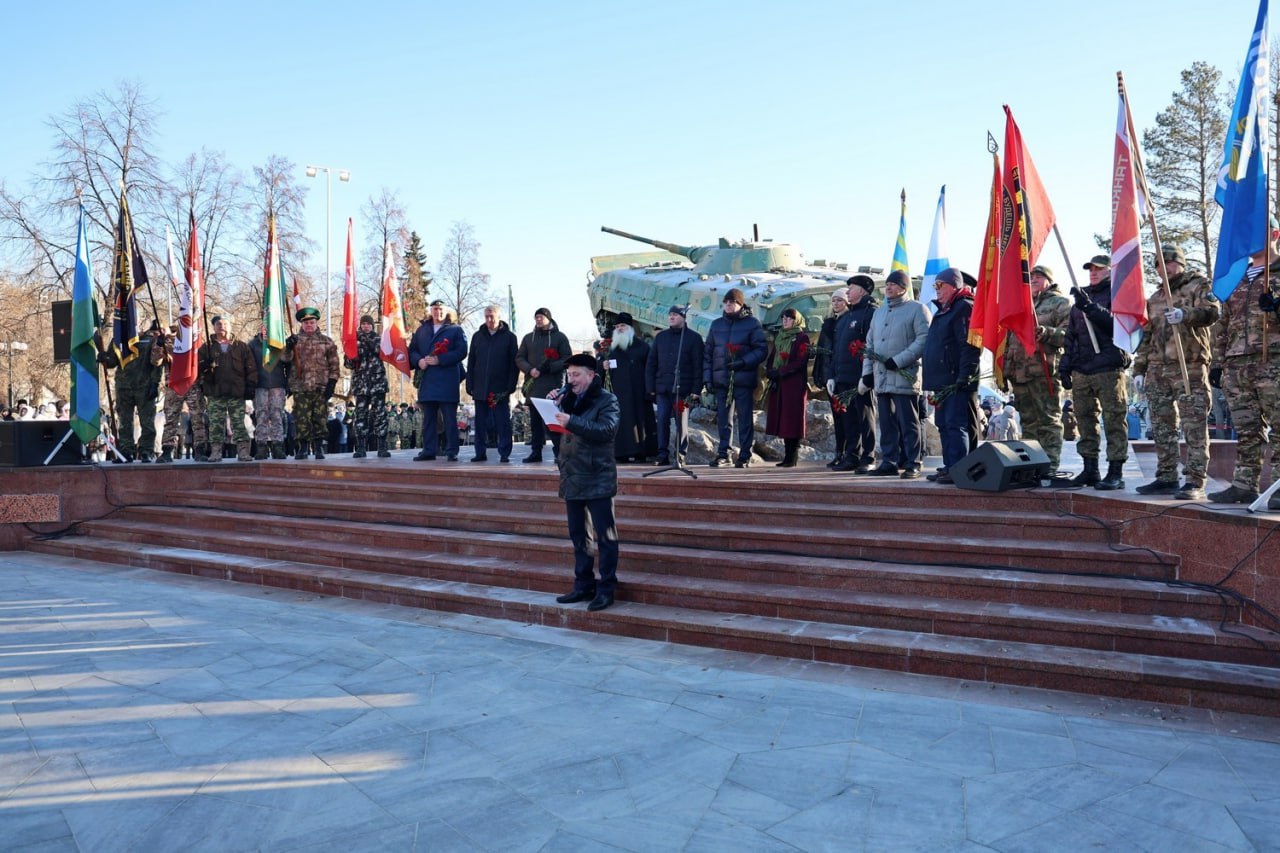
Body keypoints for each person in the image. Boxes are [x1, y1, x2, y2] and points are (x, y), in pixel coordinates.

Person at [1132, 246, 1220, 501]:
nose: (1163, 268)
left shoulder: (1198, 285)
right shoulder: (1156, 297)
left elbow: (1212, 312)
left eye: (1168, 262)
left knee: (1194, 424)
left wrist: (1186, 314)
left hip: (1189, 364)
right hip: (1158, 368)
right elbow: (1146, 337)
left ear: (1180, 263)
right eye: (1158, 264)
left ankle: (1194, 480)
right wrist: (1139, 369)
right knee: (1161, 426)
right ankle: (1166, 476)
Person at [1211, 230, 1280, 506]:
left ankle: (1278, 485)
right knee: (1247, 429)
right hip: (1238, 364)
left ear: (1275, 233)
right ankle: (1243, 484)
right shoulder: (1237, 279)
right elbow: (1223, 325)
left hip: (1273, 362)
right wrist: (1218, 363)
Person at [549, 352, 621, 612]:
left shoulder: (607, 400)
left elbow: (607, 431)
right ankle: (583, 584)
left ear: (591, 376)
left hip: (597, 475)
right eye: (569, 375)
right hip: (572, 475)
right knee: (579, 535)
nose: (571, 379)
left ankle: (607, 588)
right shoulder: (566, 399)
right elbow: (560, 433)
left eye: (576, 374)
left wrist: (572, 420)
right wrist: (553, 410)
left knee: (605, 535)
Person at [1060, 254, 1130, 490]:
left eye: (1098, 269)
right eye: (1090, 269)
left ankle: (1115, 471)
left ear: (1110, 271)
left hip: (1108, 366)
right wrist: (1065, 365)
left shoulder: (1117, 295)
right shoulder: (1079, 300)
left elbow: (1118, 326)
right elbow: (1071, 336)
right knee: (1085, 421)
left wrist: (1090, 307)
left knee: (1114, 419)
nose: (1093, 272)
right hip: (1082, 369)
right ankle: (1090, 469)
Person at [1001, 264, 1072, 482]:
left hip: (1044, 372)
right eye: (1031, 277)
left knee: (1049, 421)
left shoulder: (1060, 303)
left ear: (1049, 280)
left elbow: (1070, 334)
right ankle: (1031, 465)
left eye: (1038, 277)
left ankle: (1049, 466)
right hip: (1020, 373)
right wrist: (1005, 371)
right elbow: (1010, 341)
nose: (1033, 280)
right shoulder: (1022, 304)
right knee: (1029, 423)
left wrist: (1048, 333)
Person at [862, 270, 931, 478]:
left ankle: (913, 462)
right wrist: (867, 373)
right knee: (886, 422)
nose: (888, 287)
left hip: (904, 375)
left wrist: (899, 360)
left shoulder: (918, 310)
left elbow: (923, 340)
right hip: (882, 377)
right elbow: (870, 344)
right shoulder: (879, 312)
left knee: (908, 421)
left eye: (893, 284)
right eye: (887, 284)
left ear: (903, 287)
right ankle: (889, 461)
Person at [921, 268, 979, 484]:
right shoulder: (945, 310)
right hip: (942, 380)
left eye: (940, 285)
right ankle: (949, 465)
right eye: (935, 285)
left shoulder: (963, 307)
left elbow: (969, 344)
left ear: (954, 286)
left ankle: (959, 468)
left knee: (956, 424)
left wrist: (965, 374)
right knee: (944, 424)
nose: (936, 290)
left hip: (956, 380)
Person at [703, 288, 768, 467]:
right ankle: (723, 453)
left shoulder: (752, 324)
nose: (729, 305)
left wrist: (743, 362)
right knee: (724, 419)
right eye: (726, 302)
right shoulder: (716, 325)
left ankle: (745, 455)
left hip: (743, 380)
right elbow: (708, 353)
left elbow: (761, 350)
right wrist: (708, 379)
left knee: (745, 419)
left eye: (732, 302)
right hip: (722, 380)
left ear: (740, 304)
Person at [645, 304, 704, 466]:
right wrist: (650, 388)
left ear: (684, 317)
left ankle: (680, 455)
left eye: (675, 315)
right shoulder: (661, 337)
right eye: (670, 314)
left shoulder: (694, 338)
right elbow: (651, 363)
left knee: (681, 423)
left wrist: (696, 390)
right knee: (662, 420)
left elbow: (698, 366)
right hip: (662, 390)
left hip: (683, 391)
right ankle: (662, 454)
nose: (671, 317)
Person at [409, 299, 468, 461]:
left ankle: (451, 450)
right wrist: (418, 361)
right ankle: (429, 449)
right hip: (427, 380)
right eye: (435, 309)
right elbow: (412, 350)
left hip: (447, 380)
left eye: (441, 309)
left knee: (449, 418)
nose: (438, 312)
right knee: (428, 418)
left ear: (446, 311)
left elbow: (462, 351)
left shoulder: (455, 330)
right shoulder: (422, 330)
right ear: (431, 311)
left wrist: (440, 360)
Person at [98, 319, 164, 462]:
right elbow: (112, 362)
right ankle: (126, 452)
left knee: (147, 423)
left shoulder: (152, 340)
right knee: (124, 422)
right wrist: (104, 357)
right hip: (124, 387)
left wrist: (155, 383)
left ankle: (146, 451)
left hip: (144, 386)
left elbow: (157, 364)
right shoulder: (119, 339)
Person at [197, 315, 257, 463]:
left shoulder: (241, 346)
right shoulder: (207, 347)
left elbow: (251, 368)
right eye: (218, 323)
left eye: (224, 323)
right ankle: (216, 452)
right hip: (215, 392)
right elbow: (198, 368)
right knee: (216, 423)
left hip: (236, 392)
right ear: (213, 327)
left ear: (230, 326)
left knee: (238, 423)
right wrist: (205, 366)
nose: (221, 326)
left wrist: (251, 386)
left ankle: (243, 452)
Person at [516, 307, 572, 463]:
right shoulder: (528, 338)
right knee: (535, 423)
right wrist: (529, 369)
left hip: (552, 387)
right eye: (536, 317)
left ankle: (560, 452)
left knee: (552, 422)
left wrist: (551, 366)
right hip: (533, 386)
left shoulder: (559, 337)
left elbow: (567, 359)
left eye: (541, 317)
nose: (538, 320)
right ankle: (536, 452)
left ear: (549, 318)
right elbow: (519, 358)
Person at [600, 312, 657, 462]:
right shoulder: (611, 349)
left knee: (640, 423)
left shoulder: (642, 347)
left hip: (638, 393)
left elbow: (651, 369)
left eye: (623, 326)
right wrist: (602, 365)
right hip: (618, 394)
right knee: (621, 424)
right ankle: (621, 453)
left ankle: (641, 453)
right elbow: (600, 371)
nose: (619, 329)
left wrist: (650, 391)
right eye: (617, 326)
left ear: (630, 328)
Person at [466, 304, 519, 462]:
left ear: (498, 317)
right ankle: (480, 452)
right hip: (480, 388)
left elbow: (513, 364)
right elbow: (471, 362)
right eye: (487, 317)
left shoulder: (509, 337)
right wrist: (470, 384)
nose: (489, 320)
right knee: (480, 424)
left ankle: (504, 453)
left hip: (499, 389)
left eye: (492, 316)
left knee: (502, 423)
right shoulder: (477, 336)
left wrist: (510, 386)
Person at [286, 306, 340, 460]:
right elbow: (284, 360)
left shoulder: (326, 341)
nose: (309, 325)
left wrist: (332, 383)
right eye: (306, 323)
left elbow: (334, 364)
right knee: (301, 418)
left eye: (311, 322)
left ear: (316, 323)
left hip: (320, 387)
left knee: (320, 419)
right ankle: (303, 448)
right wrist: (288, 347)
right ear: (301, 325)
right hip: (300, 386)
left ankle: (318, 448)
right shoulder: (295, 341)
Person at [152, 323, 209, 463]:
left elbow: (201, 363)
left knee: (197, 418)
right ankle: (167, 450)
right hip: (174, 384)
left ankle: (200, 449)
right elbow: (155, 361)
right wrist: (159, 346)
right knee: (170, 418)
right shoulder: (167, 342)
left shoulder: (196, 341)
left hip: (193, 384)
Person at [761, 308, 811, 467]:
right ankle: (786, 456)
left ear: (796, 321)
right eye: (783, 318)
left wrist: (781, 371)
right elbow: (773, 356)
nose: (785, 321)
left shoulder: (802, 338)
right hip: (780, 384)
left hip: (793, 385)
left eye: (789, 318)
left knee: (792, 419)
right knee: (783, 419)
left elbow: (800, 361)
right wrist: (770, 371)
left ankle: (792, 456)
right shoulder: (780, 336)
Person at [344, 315, 391, 458]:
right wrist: (353, 355)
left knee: (380, 415)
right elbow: (347, 364)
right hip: (361, 384)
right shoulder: (354, 341)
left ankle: (382, 446)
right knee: (361, 415)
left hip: (377, 384)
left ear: (372, 326)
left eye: (368, 324)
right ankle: (360, 447)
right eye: (363, 324)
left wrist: (366, 341)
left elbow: (383, 353)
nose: (366, 326)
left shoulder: (379, 339)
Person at [247, 322, 290, 460]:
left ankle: (278, 446)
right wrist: (250, 384)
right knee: (261, 416)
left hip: (277, 385)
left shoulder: (279, 342)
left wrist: (288, 347)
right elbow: (248, 366)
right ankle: (261, 446)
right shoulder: (253, 344)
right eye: (264, 326)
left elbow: (289, 362)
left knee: (277, 416)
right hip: (260, 385)